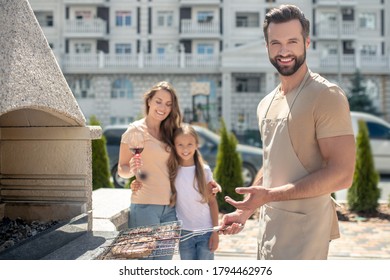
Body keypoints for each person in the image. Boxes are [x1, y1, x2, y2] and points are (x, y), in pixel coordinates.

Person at [220, 4, 356, 260]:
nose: (284, 51)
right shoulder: (266, 103)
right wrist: (246, 209)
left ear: (307, 42)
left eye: (292, 41)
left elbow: (342, 175)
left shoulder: (326, 96)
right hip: (269, 228)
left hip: (306, 231)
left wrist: (270, 195)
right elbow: (273, 163)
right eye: (275, 43)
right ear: (267, 47)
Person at [118, 81, 182, 260]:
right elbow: (121, 169)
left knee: (163, 262)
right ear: (149, 102)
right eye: (159, 101)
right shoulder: (135, 131)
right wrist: (130, 171)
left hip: (170, 208)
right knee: (145, 263)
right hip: (145, 206)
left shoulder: (171, 132)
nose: (163, 107)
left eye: (169, 104)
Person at [168, 123, 219, 260]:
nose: (185, 149)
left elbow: (213, 203)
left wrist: (215, 232)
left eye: (190, 144)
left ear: (197, 145)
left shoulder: (205, 171)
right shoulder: (172, 172)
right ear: (174, 146)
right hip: (184, 234)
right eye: (180, 145)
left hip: (206, 232)